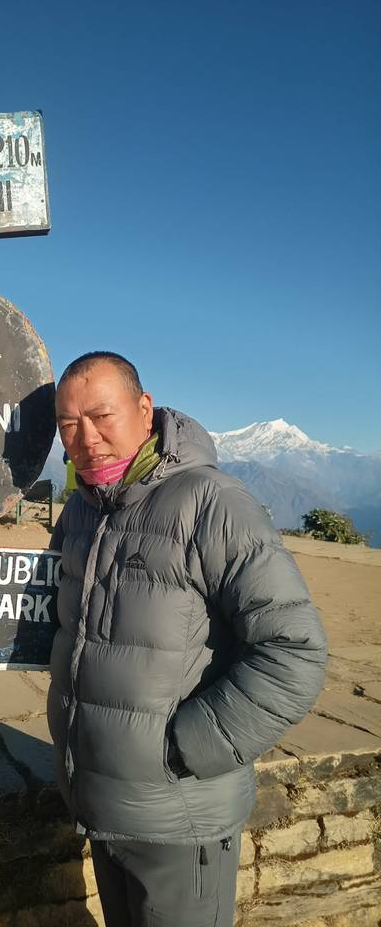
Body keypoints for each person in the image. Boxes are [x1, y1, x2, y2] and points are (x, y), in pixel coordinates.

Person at [47, 351, 327, 927]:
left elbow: (294, 649)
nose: (87, 438)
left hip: (180, 816)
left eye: (102, 416)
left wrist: (187, 748)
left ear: (144, 410)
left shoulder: (211, 503)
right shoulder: (81, 510)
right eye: (68, 424)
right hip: (100, 802)